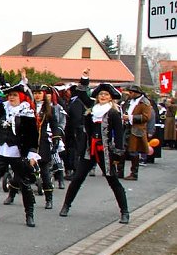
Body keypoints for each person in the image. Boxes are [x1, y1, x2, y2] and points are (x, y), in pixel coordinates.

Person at [59, 83, 129, 224]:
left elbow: (120, 135)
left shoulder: (113, 113)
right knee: (77, 178)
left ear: (110, 98)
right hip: (89, 150)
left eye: (106, 95)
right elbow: (82, 96)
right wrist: (84, 80)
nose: (103, 96)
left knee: (113, 181)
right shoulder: (91, 112)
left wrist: (118, 154)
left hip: (106, 152)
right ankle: (66, 205)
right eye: (101, 94)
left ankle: (124, 212)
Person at [0, 83, 39, 227]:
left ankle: (29, 214)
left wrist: (32, 154)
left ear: (21, 97)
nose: (12, 98)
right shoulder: (2, 109)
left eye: (15, 95)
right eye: (10, 95)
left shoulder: (27, 113)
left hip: (18, 152)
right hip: (1, 149)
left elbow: (33, 136)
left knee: (24, 183)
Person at [120, 84, 152, 181]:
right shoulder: (128, 101)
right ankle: (119, 171)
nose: (129, 94)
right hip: (126, 127)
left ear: (137, 93)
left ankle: (134, 173)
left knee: (133, 151)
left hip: (136, 129)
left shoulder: (145, 103)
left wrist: (130, 118)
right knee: (121, 149)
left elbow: (146, 117)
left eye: (131, 92)